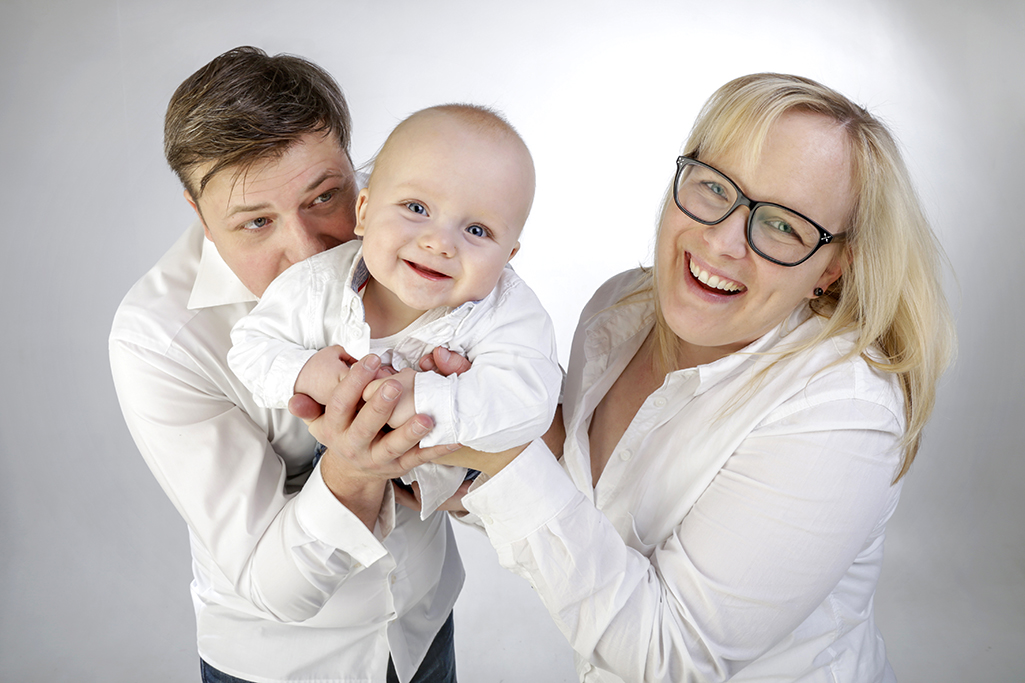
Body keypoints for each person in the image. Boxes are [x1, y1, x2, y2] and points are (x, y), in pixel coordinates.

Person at [443, 73, 956, 682]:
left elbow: (672, 655)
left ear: (833, 269)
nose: (721, 242)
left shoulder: (842, 410)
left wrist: (501, 462)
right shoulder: (622, 308)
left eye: (783, 225)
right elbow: (573, 500)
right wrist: (455, 451)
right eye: (715, 188)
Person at [109, 46, 469, 683]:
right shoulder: (159, 339)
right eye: (255, 223)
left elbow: (483, 450)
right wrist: (356, 471)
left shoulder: (404, 241)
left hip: (421, 627)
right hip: (282, 664)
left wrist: (461, 467)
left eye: (325, 197)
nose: (305, 252)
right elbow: (269, 583)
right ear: (200, 216)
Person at [227, 104, 560, 518]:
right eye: (417, 208)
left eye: (477, 231)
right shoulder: (316, 285)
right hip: (330, 473)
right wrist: (305, 371)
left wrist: (421, 399)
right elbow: (248, 346)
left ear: (507, 256)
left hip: (460, 488)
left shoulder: (506, 309)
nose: (440, 244)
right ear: (363, 212)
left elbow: (530, 398)